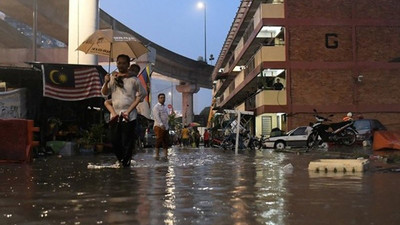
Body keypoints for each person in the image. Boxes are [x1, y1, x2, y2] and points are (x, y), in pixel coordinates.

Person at [101, 54, 146, 167]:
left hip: (129, 115)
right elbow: (104, 93)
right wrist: (106, 82)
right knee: (114, 140)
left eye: (123, 63)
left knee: (127, 141)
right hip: (115, 115)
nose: (120, 65)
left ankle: (125, 163)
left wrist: (133, 106)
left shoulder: (134, 80)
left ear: (128, 64)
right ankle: (121, 160)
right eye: (119, 63)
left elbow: (142, 94)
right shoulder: (112, 78)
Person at [152, 93, 169, 158]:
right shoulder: (156, 107)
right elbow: (157, 116)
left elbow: (166, 116)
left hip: (166, 126)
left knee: (166, 141)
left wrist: (167, 126)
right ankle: (157, 154)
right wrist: (161, 124)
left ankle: (165, 155)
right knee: (159, 140)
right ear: (158, 99)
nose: (162, 99)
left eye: (163, 97)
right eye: (161, 98)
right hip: (159, 126)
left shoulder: (165, 107)